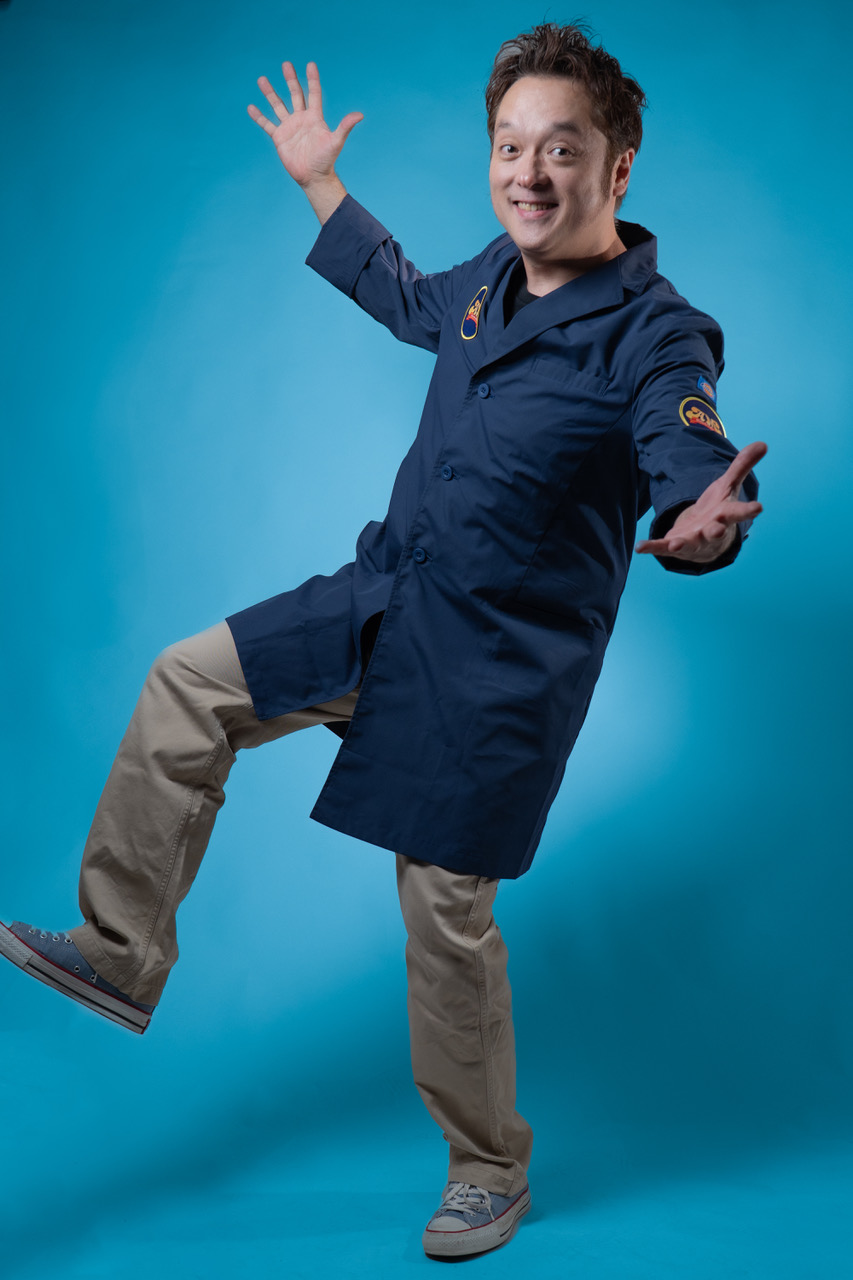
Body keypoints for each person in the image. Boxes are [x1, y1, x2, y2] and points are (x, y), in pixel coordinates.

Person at [0, 22, 765, 1261]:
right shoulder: (491, 273)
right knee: (186, 682)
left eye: (559, 148)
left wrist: (700, 525)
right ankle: (119, 950)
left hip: (492, 673)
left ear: (617, 165)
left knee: (443, 914)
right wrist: (320, 184)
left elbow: (688, 453)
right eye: (508, 145)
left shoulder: (660, 334)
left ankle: (487, 1167)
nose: (528, 173)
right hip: (382, 600)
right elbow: (414, 300)